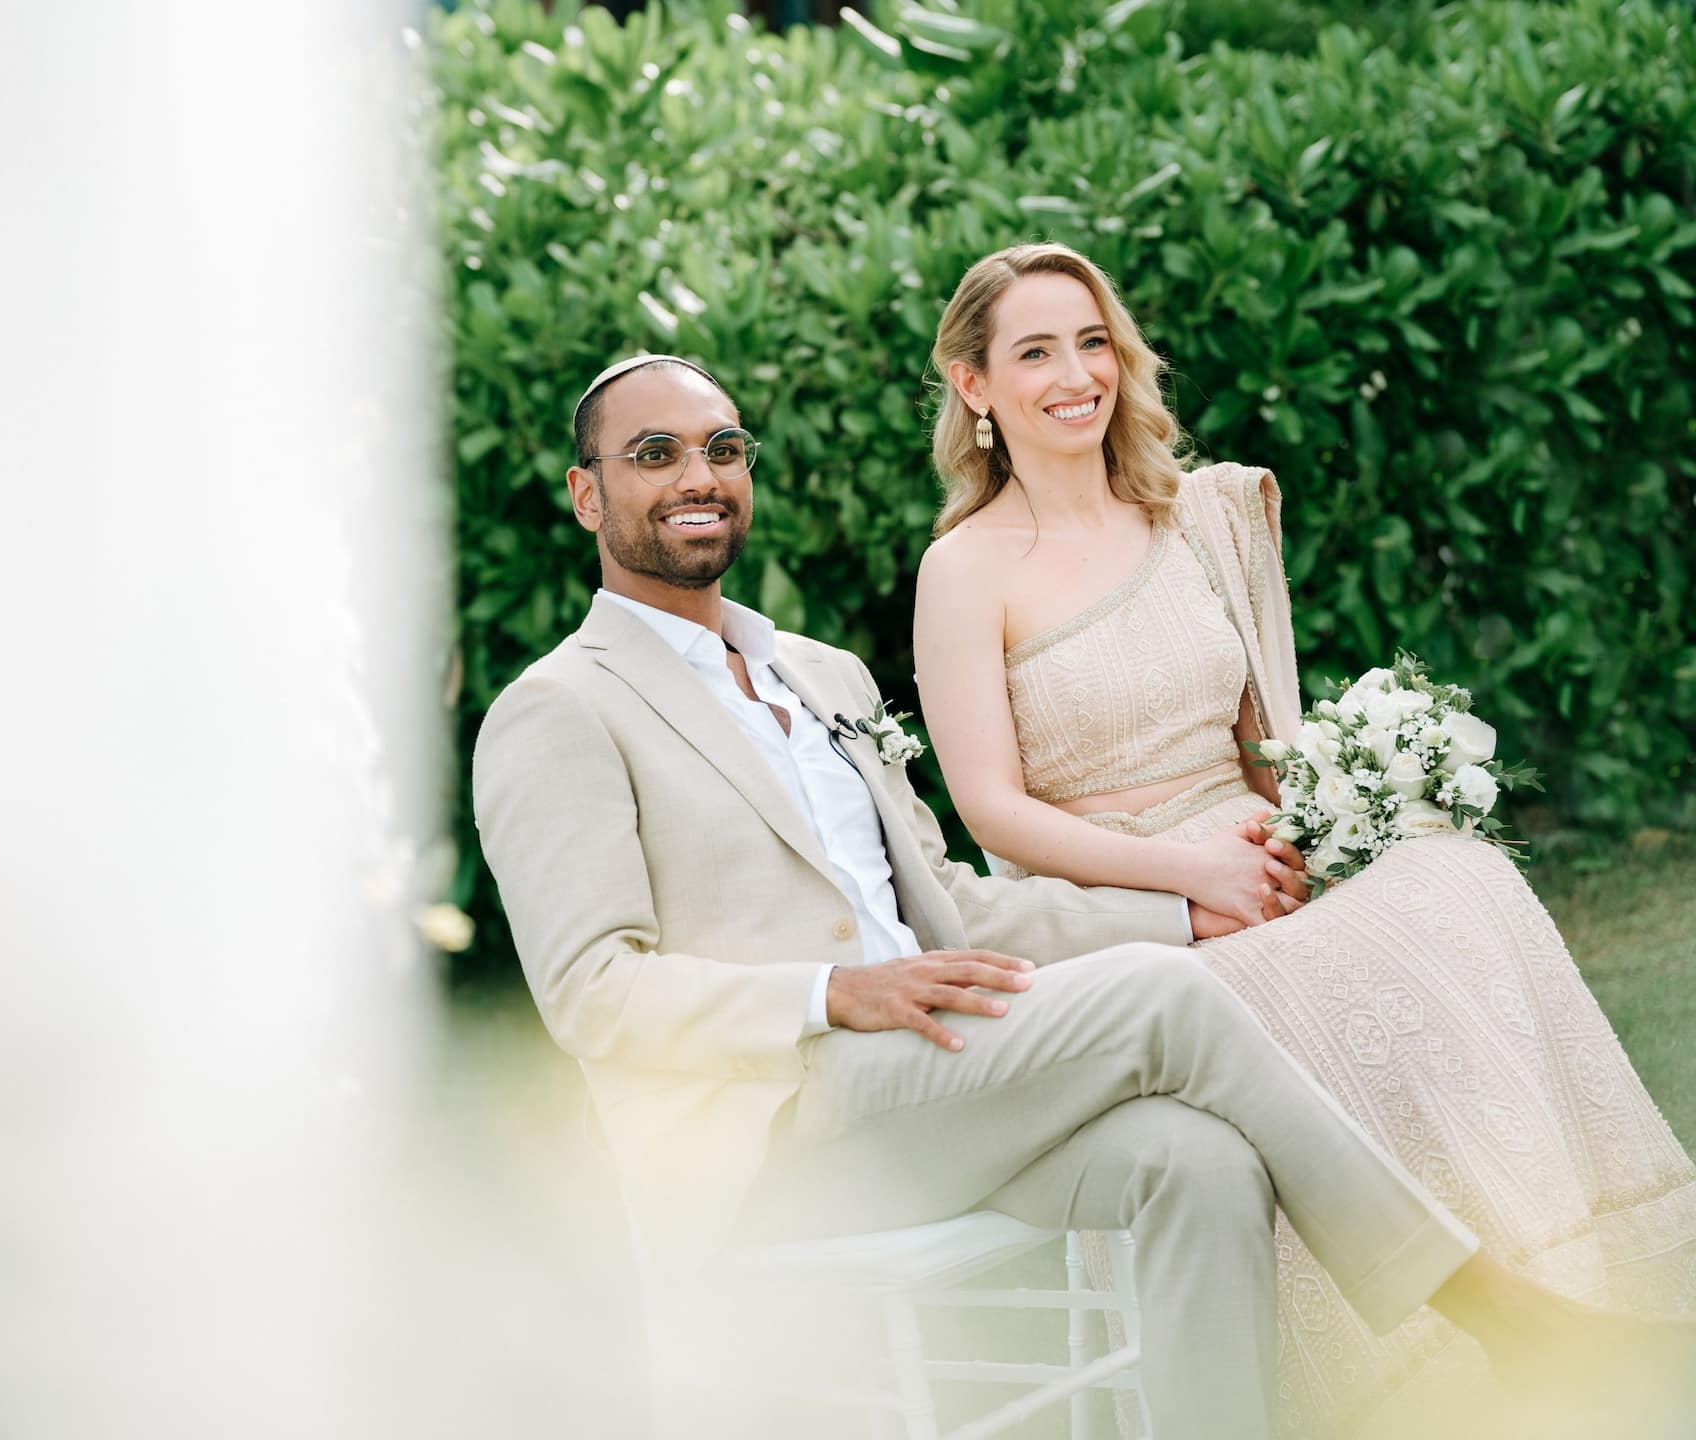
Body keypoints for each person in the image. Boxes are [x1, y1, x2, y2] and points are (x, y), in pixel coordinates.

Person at [471, 353, 1676, 1439]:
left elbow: (959, 906)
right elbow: (593, 993)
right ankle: (1498, 1312)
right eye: (655, 453)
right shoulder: (560, 709)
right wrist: (836, 993)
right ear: (588, 495)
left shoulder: (818, 675)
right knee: (1166, 1000)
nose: (699, 475)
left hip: (936, 1084)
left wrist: (1183, 912)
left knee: (1198, 1161)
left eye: (722, 448)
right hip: (770, 1144)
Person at [912, 241, 1696, 1435]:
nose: (1076, 376)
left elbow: (1257, 744)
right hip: (1132, 902)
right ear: (974, 384)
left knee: (1459, 881)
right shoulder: (964, 569)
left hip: (1263, 859)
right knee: (1305, 979)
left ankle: (1565, 1273)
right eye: (1035, 353)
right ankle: (1431, 1357)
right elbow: (991, 811)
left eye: (1092, 342)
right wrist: (1191, 876)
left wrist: (1318, 828)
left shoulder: (1190, 518)